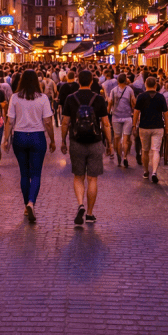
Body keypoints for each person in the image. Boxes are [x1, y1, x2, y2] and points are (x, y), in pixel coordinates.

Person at [61, 69, 112, 225]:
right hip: (95, 141)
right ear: (91, 82)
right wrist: (109, 143)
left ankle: (80, 204)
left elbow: (65, 122)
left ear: (78, 81)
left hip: (76, 141)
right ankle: (89, 213)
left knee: (78, 176)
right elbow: (105, 123)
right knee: (92, 179)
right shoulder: (98, 99)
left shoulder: (70, 98)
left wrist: (63, 140)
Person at [4, 69, 55, 223]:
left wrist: (6, 139)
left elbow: (9, 120)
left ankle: (26, 205)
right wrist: (52, 139)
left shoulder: (15, 97)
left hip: (19, 136)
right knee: (36, 173)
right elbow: (47, 121)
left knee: (24, 174)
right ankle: (32, 202)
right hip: (37, 136)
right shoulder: (43, 98)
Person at [132, 76, 168, 184]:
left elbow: (136, 112)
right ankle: (154, 172)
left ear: (145, 85)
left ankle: (145, 171)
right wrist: (167, 126)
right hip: (158, 126)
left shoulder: (141, 97)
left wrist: (134, 125)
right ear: (155, 85)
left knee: (145, 150)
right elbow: (165, 113)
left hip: (144, 126)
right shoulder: (161, 97)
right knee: (156, 150)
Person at [108, 73, 137, 167]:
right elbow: (134, 103)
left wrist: (107, 113)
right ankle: (125, 157)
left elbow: (109, 104)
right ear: (126, 80)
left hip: (116, 117)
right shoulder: (130, 90)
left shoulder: (113, 91)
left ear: (117, 81)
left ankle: (119, 155)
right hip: (127, 117)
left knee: (117, 138)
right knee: (126, 139)